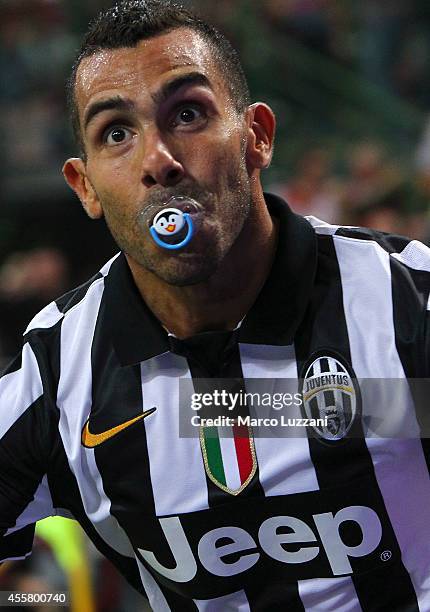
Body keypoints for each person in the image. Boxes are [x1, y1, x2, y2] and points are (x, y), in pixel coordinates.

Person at [1, 1, 430, 610]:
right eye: (116, 133)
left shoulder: (403, 302)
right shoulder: (57, 372)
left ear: (257, 137)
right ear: (85, 185)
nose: (158, 161)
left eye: (188, 114)